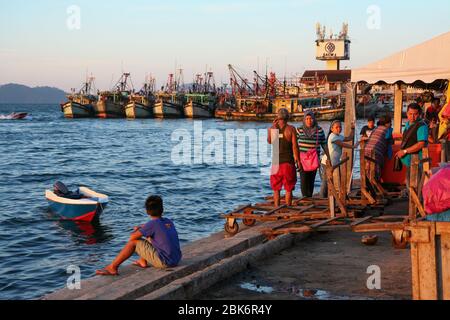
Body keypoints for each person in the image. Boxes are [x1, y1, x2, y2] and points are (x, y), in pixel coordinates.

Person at [96, 195, 182, 276]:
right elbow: (157, 228)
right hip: (176, 259)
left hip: (165, 262)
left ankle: (112, 267)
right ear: (162, 209)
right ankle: (142, 261)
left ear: (147, 211)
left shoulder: (152, 224)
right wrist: (143, 228)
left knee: (134, 242)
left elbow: (132, 237)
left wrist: (137, 230)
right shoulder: (168, 221)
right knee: (149, 236)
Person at [268, 108, 300, 207]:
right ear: (287, 118)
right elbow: (295, 146)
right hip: (288, 163)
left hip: (275, 163)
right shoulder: (291, 129)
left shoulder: (272, 129)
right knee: (288, 188)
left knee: (276, 189)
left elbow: (270, 141)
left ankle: (276, 210)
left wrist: (273, 127)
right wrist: (298, 160)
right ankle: (288, 210)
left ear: (277, 118)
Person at [395, 103, 429, 191]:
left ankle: (417, 204)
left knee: (415, 186)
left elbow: (421, 144)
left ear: (419, 114)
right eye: (410, 114)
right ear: (407, 114)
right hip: (410, 161)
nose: (412, 116)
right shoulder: (408, 124)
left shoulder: (422, 126)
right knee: (410, 185)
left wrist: (404, 151)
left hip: (417, 160)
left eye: (415, 114)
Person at [319, 120, 356, 198]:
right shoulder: (332, 136)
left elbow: (349, 138)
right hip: (326, 162)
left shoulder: (339, 136)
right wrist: (353, 147)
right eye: (337, 127)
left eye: (340, 127)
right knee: (326, 181)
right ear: (332, 129)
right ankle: (322, 198)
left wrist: (352, 129)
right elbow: (341, 144)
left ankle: (327, 197)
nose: (339, 129)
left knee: (329, 181)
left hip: (333, 163)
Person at [296, 111, 329, 198]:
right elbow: (294, 145)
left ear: (314, 119)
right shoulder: (299, 130)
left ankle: (309, 198)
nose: (309, 121)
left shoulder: (319, 130)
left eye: (311, 119)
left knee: (311, 181)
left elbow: (324, 144)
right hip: (302, 161)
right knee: (303, 181)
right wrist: (295, 158)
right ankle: (305, 198)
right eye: (307, 119)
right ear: (304, 119)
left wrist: (329, 156)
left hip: (314, 160)